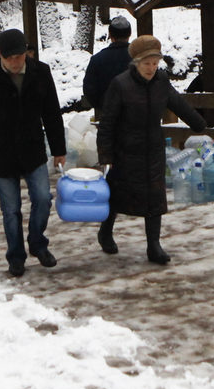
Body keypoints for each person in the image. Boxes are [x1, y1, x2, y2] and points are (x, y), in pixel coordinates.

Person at [97, 35, 207, 265]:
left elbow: (177, 103)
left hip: (153, 148)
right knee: (117, 195)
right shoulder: (120, 84)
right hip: (125, 150)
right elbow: (107, 122)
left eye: (155, 63)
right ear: (136, 63)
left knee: (155, 197)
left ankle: (153, 246)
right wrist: (106, 155)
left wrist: (199, 123)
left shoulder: (161, 81)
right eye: (147, 63)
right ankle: (105, 232)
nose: (151, 68)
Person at [0, 28, 67, 277]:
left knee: (43, 199)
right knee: (10, 210)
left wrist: (59, 149)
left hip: (32, 149)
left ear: (26, 53)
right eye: (9, 57)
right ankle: (15, 256)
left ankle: (37, 242)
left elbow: (52, 113)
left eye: (19, 57)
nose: (14, 62)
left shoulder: (40, 72)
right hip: (1, 152)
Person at [82, 16, 133, 118]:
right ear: (129, 34)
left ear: (110, 34)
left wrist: (102, 105)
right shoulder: (141, 58)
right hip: (137, 115)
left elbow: (89, 89)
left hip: (108, 116)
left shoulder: (97, 59)